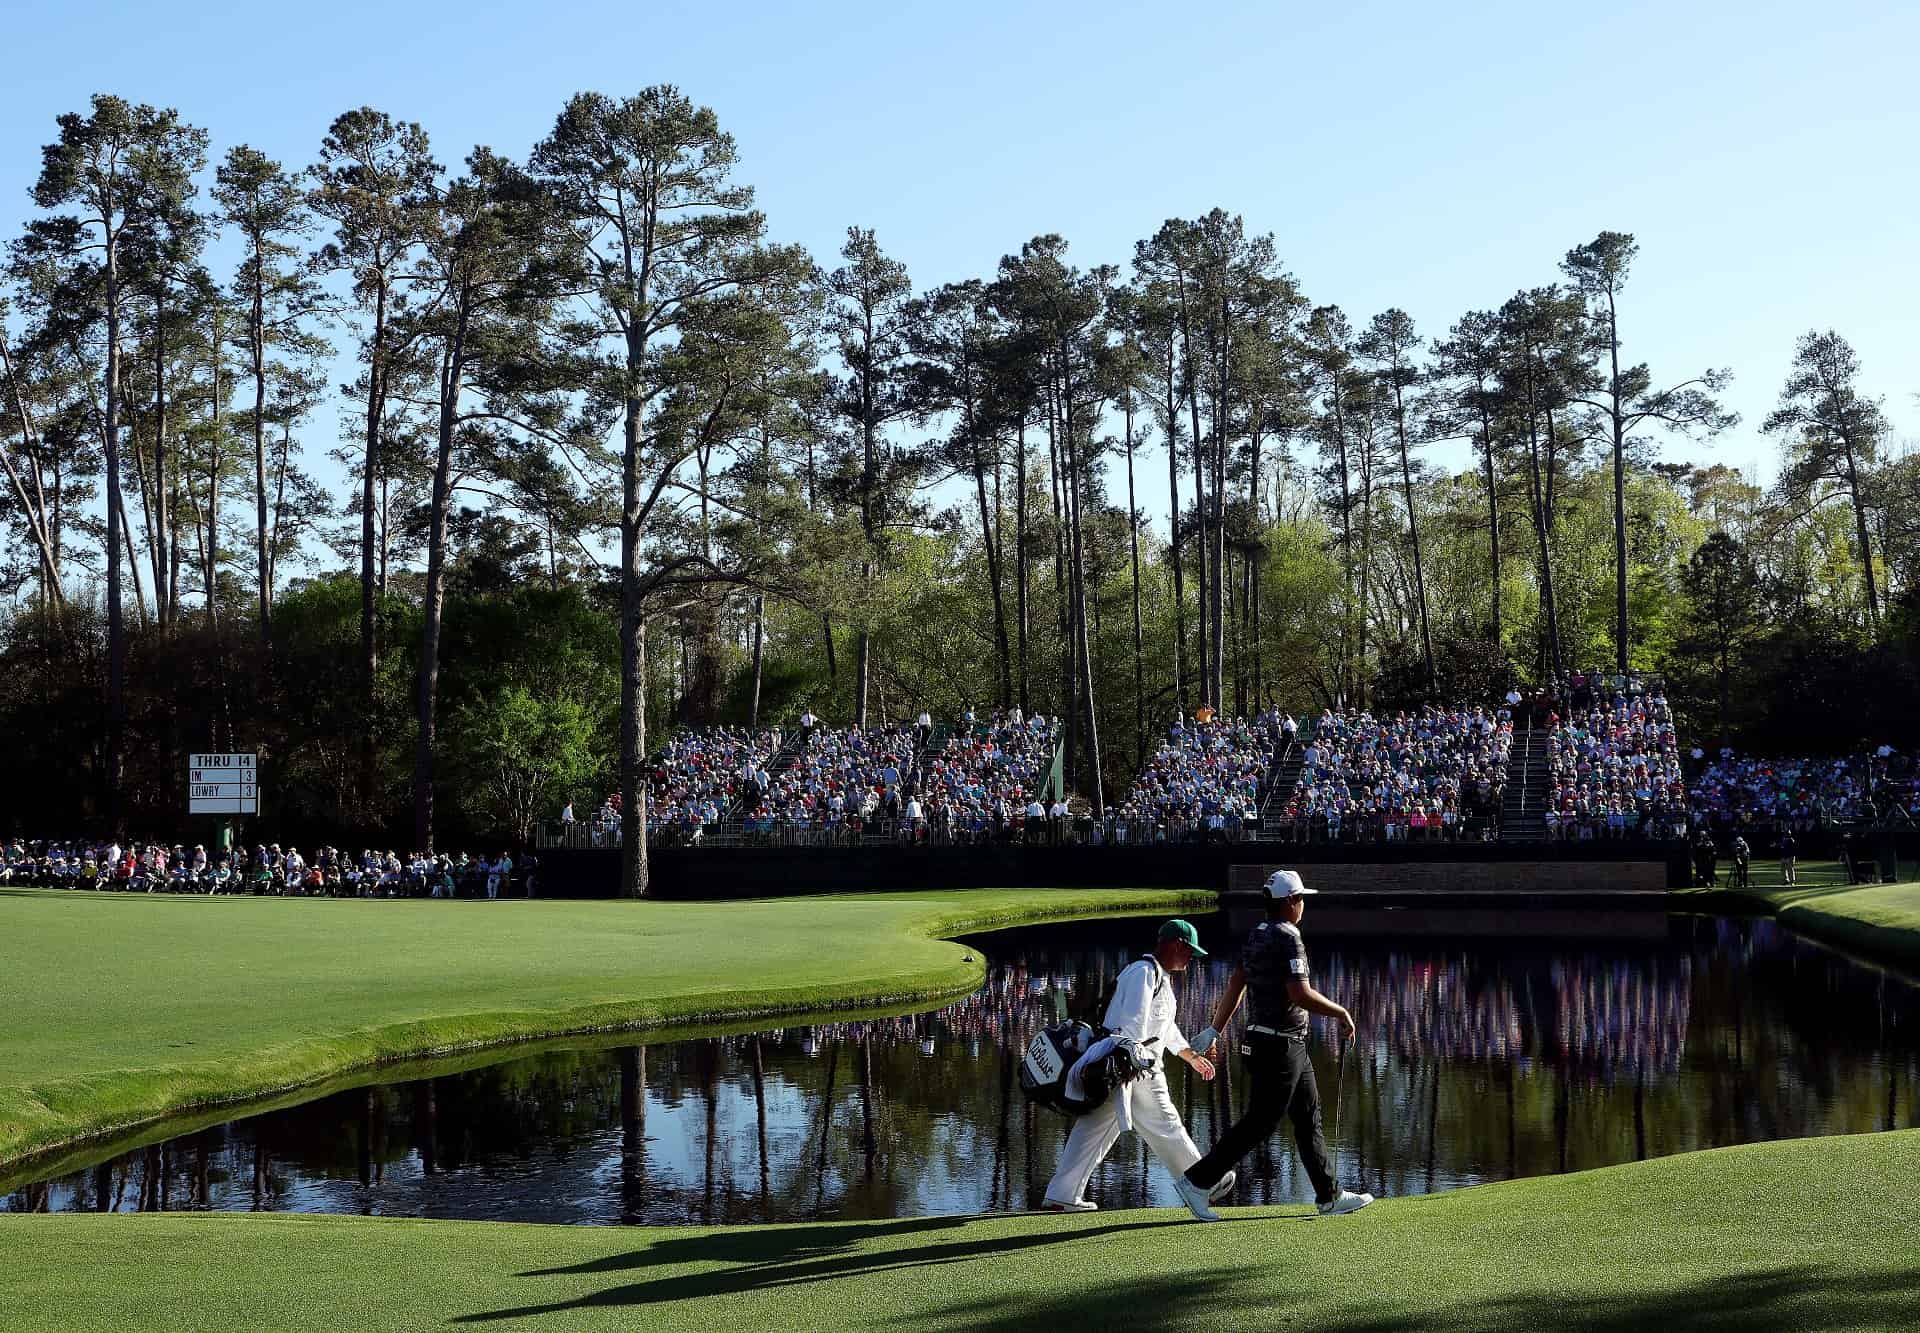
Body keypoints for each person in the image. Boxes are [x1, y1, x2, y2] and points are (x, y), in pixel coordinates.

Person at [1172, 871, 1373, 1221]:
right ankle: (1197, 1182)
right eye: (1301, 898)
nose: (1303, 904)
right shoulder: (1289, 936)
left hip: (1278, 1042)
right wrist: (1341, 1012)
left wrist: (1215, 1029)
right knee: (1260, 1123)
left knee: (1308, 1119)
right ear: (1290, 902)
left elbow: (1237, 983)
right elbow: (1300, 993)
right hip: (1279, 1045)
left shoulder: (1257, 934)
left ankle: (1329, 1195)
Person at [1042, 919, 1227, 1213]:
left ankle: (1061, 1194)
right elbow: (1132, 1024)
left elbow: (1165, 1029)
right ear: (1176, 944)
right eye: (1189, 951)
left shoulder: (1157, 977)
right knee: (1166, 1124)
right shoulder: (1144, 973)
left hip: (1126, 1065)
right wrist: (1135, 1061)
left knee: (1093, 1129)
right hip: (1135, 1068)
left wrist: (1190, 1056)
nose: (1191, 957)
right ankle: (1203, 1182)